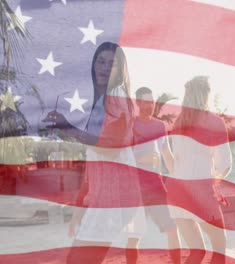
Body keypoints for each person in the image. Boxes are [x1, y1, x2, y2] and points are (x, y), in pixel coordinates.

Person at [45, 42, 146, 264]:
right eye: (101, 61)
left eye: (113, 64)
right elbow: (95, 165)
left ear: (121, 71)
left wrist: (67, 127)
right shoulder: (101, 102)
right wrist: (80, 209)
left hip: (113, 199)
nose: (105, 67)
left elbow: (111, 147)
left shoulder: (116, 96)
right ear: (93, 65)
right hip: (105, 200)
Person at [167, 76, 232, 264]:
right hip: (200, 190)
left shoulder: (178, 122)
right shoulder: (214, 121)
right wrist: (216, 183)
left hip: (176, 192)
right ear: (206, 94)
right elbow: (224, 164)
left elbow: (175, 162)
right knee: (219, 247)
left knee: (197, 252)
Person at [133, 87, 181, 263]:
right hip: (135, 187)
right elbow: (121, 160)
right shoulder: (129, 126)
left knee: (172, 228)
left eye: (151, 102)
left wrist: (179, 178)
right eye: (145, 102)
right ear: (138, 103)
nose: (149, 105)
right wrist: (141, 159)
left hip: (156, 185)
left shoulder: (160, 126)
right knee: (134, 236)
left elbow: (167, 155)